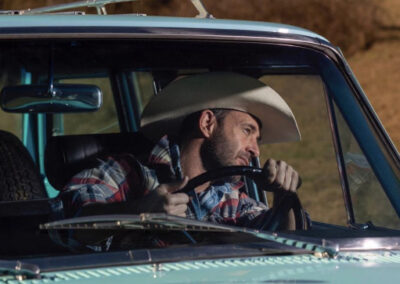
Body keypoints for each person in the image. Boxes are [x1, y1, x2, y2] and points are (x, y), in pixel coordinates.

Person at [62, 72, 304, 249]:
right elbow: (74, 226)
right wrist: (141, 212)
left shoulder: (230, 198)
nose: (255, 150)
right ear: (207, 123)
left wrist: (284, 196)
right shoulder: (126, 173)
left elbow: (282, 240)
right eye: (247, 131)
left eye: (257, 139)